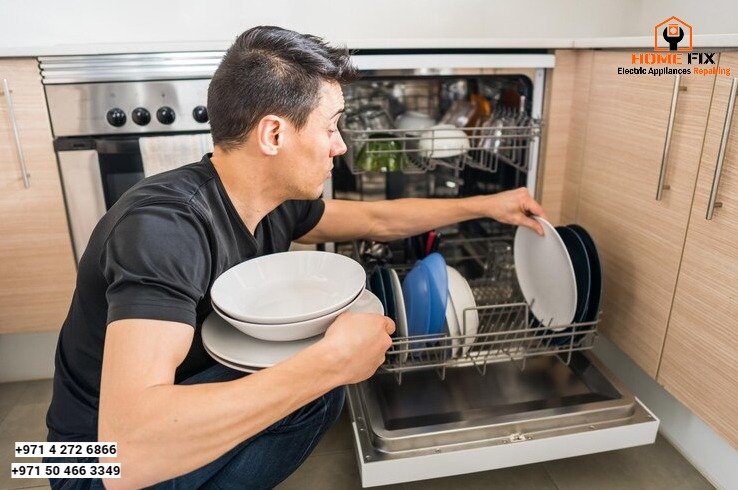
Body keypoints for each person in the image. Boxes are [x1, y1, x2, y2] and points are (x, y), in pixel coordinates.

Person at [44, 25, 548, 489]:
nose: (340, 145)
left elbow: (377, 220)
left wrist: (486, 205)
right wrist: (327, 365)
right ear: (274, 135)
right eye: (331, 127)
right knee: (318, 379)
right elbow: (127, 450)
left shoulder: (274, 202)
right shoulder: (164, 228)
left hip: (150, 430)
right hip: (86, 464)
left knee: (314, 375)